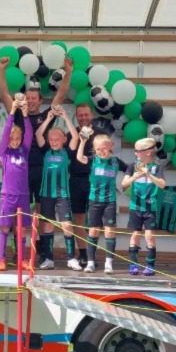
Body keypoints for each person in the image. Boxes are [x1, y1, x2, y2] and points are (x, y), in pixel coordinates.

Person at [0, 57, 72, 260]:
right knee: (17, 214)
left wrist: (68, 71)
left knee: (39, 212)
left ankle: (37, 250)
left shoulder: (46, 115)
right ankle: (16, 250)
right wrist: (1, 70)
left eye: (34, 99)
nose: (30, 101)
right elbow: (4, 93)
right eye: (28, 98)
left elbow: (62, 94)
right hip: (17, 172)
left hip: (40, 170)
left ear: (40, 101)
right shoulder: (18, 115)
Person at [34, 106, 81, 270]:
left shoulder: (68, 152)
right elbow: (38, 134)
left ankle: (71, 258)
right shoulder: (45, 150)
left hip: (63, 194)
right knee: (47, 226)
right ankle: (48, 259)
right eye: (51, 139)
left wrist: (66, 117)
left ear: (63, 140)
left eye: (57, 139)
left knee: (67, 225)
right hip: (46, 194)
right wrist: (48, 118)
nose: (54, 141)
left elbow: (75, 136)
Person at [77, 133, 128, 274]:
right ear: (94, 149)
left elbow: (129, 169)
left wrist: (127, 181)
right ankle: (91, 262)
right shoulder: (93, 160)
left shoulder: (116, 161)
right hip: (94, 200)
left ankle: (109, 263)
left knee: (109, 231)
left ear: (111, 146)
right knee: (93, 231)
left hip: (110, 200)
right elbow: (79, 158)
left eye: (104, 148)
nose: (102, 151)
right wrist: (82, 142)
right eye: (98, 149)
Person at [68, 103, 111, 266]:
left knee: (94, 220)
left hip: (95, 181)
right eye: (80, 115)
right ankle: (83, 254)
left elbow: (109, 158)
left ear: (91, 115)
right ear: (76, 117)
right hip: (75, 180)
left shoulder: (102, 135)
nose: (84, 118)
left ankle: (92, 256)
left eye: (86, 114)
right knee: (77, 217)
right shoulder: (72, 135)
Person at [0, 99, 33, 271]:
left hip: (23, 195)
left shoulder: (24, 150)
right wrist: (12, 111)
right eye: (13, 138)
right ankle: (1, 258)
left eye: (18, 138)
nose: (15, 141)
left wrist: (25, 113)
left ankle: (22, 259)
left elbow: (29, 134)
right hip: (7, 195)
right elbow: (5, 134)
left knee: (21, 229)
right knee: (4, 227)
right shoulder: (4, 151)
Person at [121, 137, 166, 276]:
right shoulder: (132, 166)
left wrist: (148, 174)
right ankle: (133, 265)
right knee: (135, 234)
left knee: (149, 236)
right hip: (136, 206)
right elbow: (124, 184)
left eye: (139, 151)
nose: (136, 154)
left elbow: (162, 184)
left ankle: (150, 265)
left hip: (150, 206)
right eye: (135, 151)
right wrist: (135, 176)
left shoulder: (157, 167)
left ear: (148, 152)